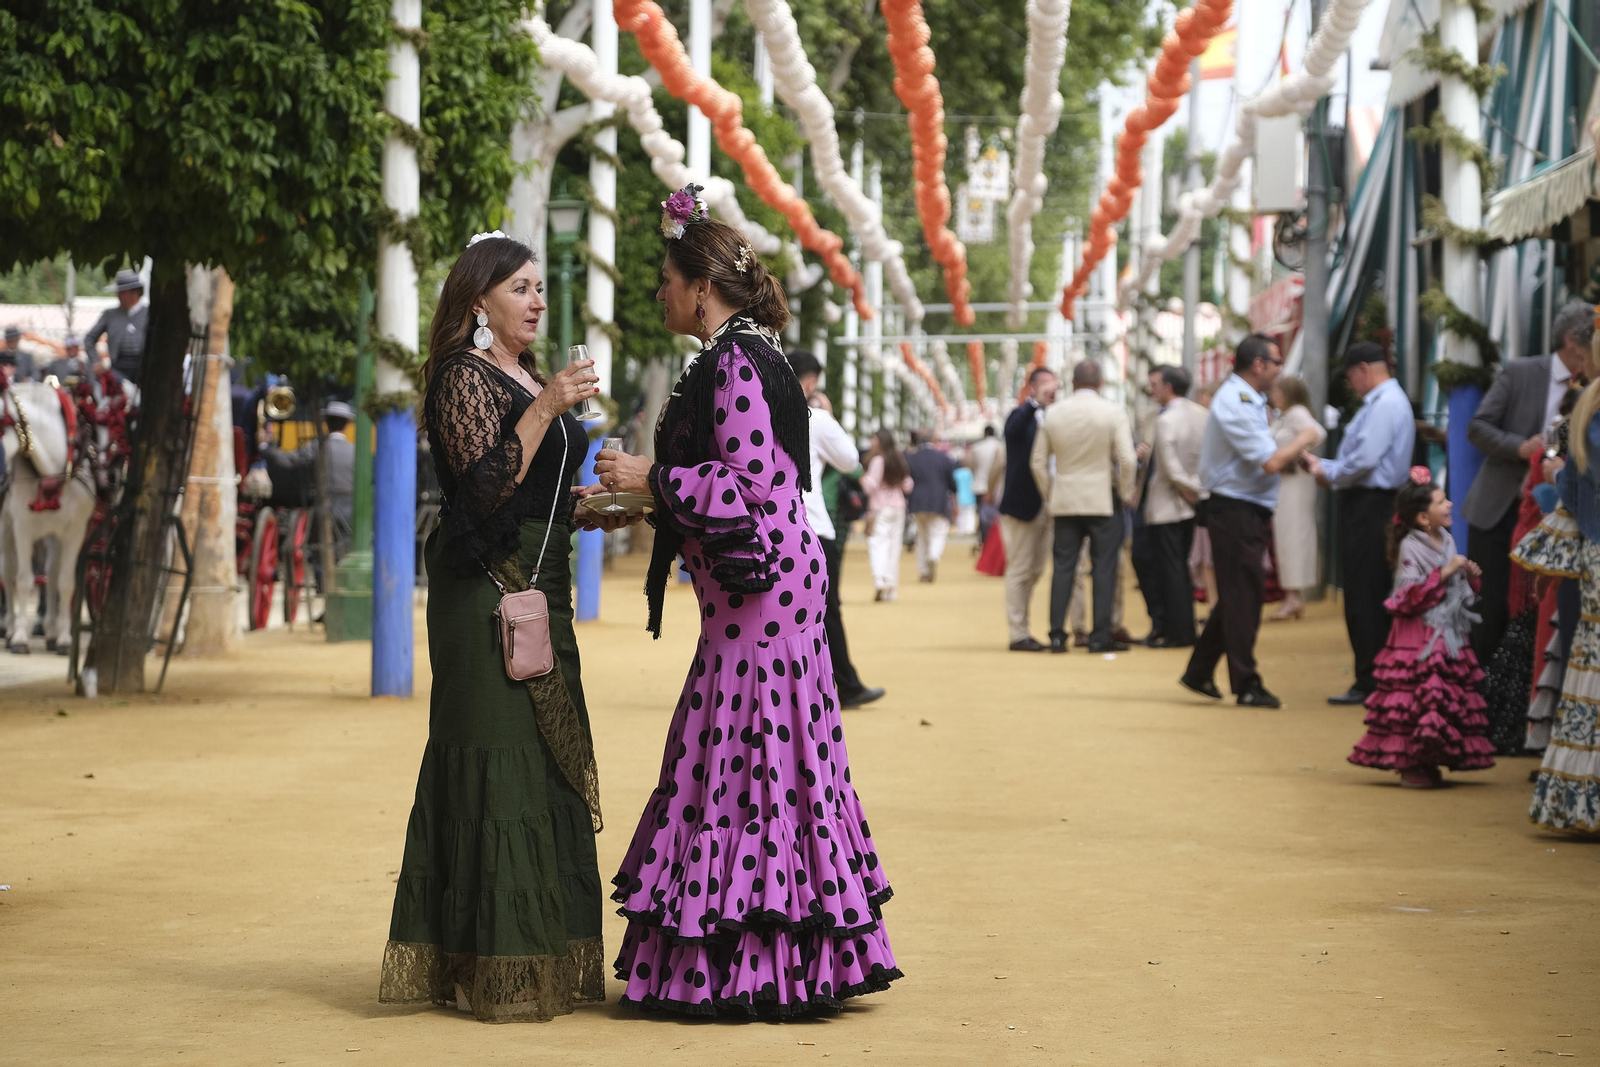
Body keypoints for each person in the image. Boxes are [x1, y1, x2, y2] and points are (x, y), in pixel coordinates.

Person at [593, 197, 901, 1015]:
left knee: (745, 751)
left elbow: (750, 487)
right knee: (778, 752)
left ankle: (750, 965)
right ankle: (791, 957)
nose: (659, 295)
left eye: (666, 281)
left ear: (702, 290)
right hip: (768, 589)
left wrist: (647, 478)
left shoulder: (731, 364)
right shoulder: (754, 356)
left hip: (757, 598)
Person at [379, 233, 621, 1022]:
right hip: (485, 596)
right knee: (495, 759)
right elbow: (481, 494)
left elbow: (529, 487)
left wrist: (582, 506)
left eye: (540, 287)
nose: (538, 300)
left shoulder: (518, 373)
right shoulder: (461, 376)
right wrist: (549, 403)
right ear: (478, 301)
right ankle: (484, 964)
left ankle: (542, 955)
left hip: (542, 591)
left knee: (545, 765)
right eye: (521, 287)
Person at [1179, 335, 1322, 708]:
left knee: (1237, 595)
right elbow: (1270, 461)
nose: (1280, 370)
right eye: (1277, 363)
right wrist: (1305, 437)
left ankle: (1200, 670)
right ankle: (1246, 683)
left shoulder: (1246, 399)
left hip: (1242, 507)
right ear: (1258, 365)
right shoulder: (1237, 401)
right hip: (1234, 507)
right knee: (1244, 596)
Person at [1464, 302, 1595, 661]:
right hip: (1499, 510)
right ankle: (1484, 701)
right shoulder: (1521, 371)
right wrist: (1520, 447)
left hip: (1550, 517)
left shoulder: (1590, 389)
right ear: (1573, 341)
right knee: (1490, 607)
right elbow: (1477, 427)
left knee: (1532, 614)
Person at [1347, 470, 1494, 787]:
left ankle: (1434, 756)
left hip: (1448, 632)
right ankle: (1411, 762)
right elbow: (1407, 596)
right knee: (1417, 696)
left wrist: (1467, 575)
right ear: (1423, 518)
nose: (1450, 504)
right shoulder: (1410, 548)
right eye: (1442, 501)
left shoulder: (1449, 539)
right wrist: (1447, 570)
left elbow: (1458, 590)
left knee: (1445, 695)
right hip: (1420, 636)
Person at [1305, 344, 1416, 705]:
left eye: (1351, 376)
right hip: (1373, 502)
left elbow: (1364, 460)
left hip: (1371, 504)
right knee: (1368, 590)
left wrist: (1328, 471)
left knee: (1365, 594)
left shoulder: (1385, 404)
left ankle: (1371, 679)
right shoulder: (1387, 401)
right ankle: (1375, 676)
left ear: (1363, 369)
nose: (1351, 385)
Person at [787, 348, 885, 709]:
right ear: (811, 382)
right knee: (826, 610)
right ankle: (846, 684)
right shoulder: (816, 418)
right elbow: (849, 460)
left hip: (767, 527)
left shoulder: (758, 413)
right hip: (811, 526)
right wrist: (826, 415)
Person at [1031, 360, 1137, 654]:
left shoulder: (1053, 413)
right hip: (1103, 499)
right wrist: (1126, 491)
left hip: (1065, 500)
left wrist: (1050, 493)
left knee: (1063, 568)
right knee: (1104, 568)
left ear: (1073, 383)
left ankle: (1056, 634)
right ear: (1100, 382)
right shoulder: (1113, 412)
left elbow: (1038, 462)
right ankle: (1100, 636)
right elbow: (1127, 459)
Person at [1141, 364, 1209, 648]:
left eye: (1155, 385)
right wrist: (1198, 490)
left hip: (1168, 504)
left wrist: (1188, 490)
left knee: (1171, 570)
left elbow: (1169, 469)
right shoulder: (1202, 415)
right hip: (1190, 503)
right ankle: (1179, 629)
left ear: (1169, 387)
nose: (1151, 390)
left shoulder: (1166, 420)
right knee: (1180, 567)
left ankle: (1179, 632)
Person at [1000, 368, 1058, 650]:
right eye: (1045, 385)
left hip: (1052, 502)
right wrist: (1034, 404)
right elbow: (1010, 431)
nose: (1051, 390)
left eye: (1054, 385)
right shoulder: (1021, 416)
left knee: (1036, 569)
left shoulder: (1058, 416)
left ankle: (1023, 626)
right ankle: (1017, 633)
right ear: (1032, 388)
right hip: (1024, 504)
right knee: (1020, 568)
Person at [1265, 375, 1325, 621]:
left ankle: (1294, 596)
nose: (1273, 395)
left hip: (1295, 485)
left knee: (1294, 536)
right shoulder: (1285, 416)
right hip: (1285, 484)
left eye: (1277, 391)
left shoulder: (1297, 412)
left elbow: (1318, 433)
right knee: (1286, 537)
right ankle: (1292, 595)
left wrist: (1298, 453)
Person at [257, 400, 358, 538]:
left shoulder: (318, 447)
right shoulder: (355, 451)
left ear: (327, 423)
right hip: (350, 508)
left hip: (325, 506)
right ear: (346, 424)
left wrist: (265, 448)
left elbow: (287, 460)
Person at [861, 428, 914, 601]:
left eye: (873, 439)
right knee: (894, 547)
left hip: (880, 508)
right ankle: (891, 587)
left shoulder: (878, 460)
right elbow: (908, 485)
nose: (871, 442)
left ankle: (880, 579)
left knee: (878, 544)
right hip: (898, 507)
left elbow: (870, 485)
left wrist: (860, 477)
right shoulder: (898, 459)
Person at [906, 430, 958, 583]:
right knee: (938, 532)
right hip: (938, 501)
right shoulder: (943, 457)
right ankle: (933, 556)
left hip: (917, 501)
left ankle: (923, 571)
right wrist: (954, 499)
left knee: (922, 536)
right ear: (934, 441)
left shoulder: (912, 458)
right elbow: (952, 482)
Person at [83, 269, 150, 383]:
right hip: (117, 368)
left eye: (122, 292)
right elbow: (89, 338)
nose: (118, 295)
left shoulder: (149, 314)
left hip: (144, 368)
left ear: (135, 292)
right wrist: (96, 361)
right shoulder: (110, 315)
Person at [970, 424, 1003, 545]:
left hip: (980, 485)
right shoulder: (1000, 446)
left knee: (982, 515)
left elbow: (972, 466)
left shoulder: (977, 447)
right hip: (996, 487)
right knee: (996, 517)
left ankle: (984, 539)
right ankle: (993, 540)